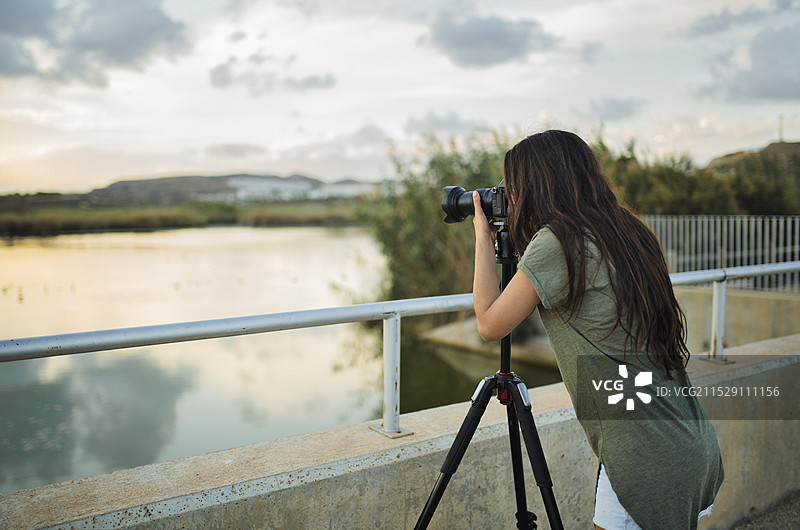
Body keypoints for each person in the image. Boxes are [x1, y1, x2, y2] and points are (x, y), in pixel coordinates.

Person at [470, 130, 724, 529]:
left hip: (646, 455)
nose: (509, 196)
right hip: (686, 436)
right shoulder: (627, 230)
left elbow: (488, 323)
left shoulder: (557, 242)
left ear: (538, 184)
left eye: (512, 185)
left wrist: (483, 239)